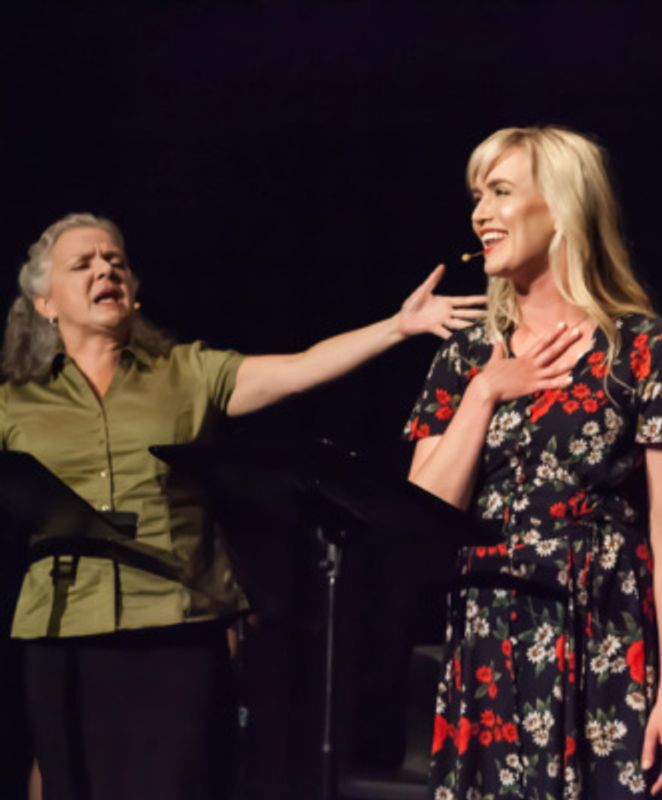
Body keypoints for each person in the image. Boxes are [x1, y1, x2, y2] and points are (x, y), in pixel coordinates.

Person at [0, 211, 485, 800]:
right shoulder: (15, 402)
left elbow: (300, 369)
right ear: (45, 302)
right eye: (84, 264)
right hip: (61, 626)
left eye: (116, 261)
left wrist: (397, 327)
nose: (106, 270)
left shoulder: (185, 373)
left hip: (176, 625)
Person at [407, 125, 662, 799]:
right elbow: (422, 515)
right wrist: (487, 391)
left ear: (562, 207)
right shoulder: (463, 360)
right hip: (490, 643)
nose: (479, 214)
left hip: (604, 637)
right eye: (475, 196)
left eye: (499, 192)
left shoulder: (649, 350)